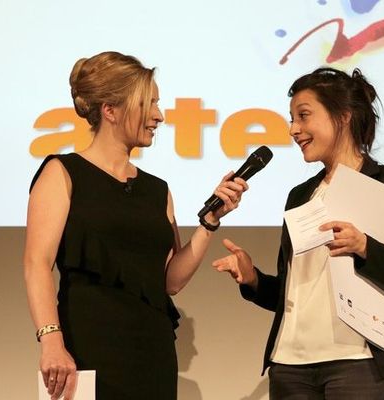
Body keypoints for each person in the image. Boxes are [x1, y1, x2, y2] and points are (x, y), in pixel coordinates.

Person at [23, 51, 248, 400]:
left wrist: (209, 223)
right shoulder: (62, 173)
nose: (159, 116)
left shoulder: (157, 189)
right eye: (149, 104)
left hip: (152, 351)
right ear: (110, 110)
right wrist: (51, 341)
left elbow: (170, 281)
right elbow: (37, 263)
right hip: (86, 347)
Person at [213, 67, 384, 399]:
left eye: (303, 116)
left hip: (359, 364)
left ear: (343, 117)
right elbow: (294, 296)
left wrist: (365, 248)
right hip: (290, 366)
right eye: (291, 119)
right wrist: (253, 279)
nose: (293, 129)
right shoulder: (300, 195)